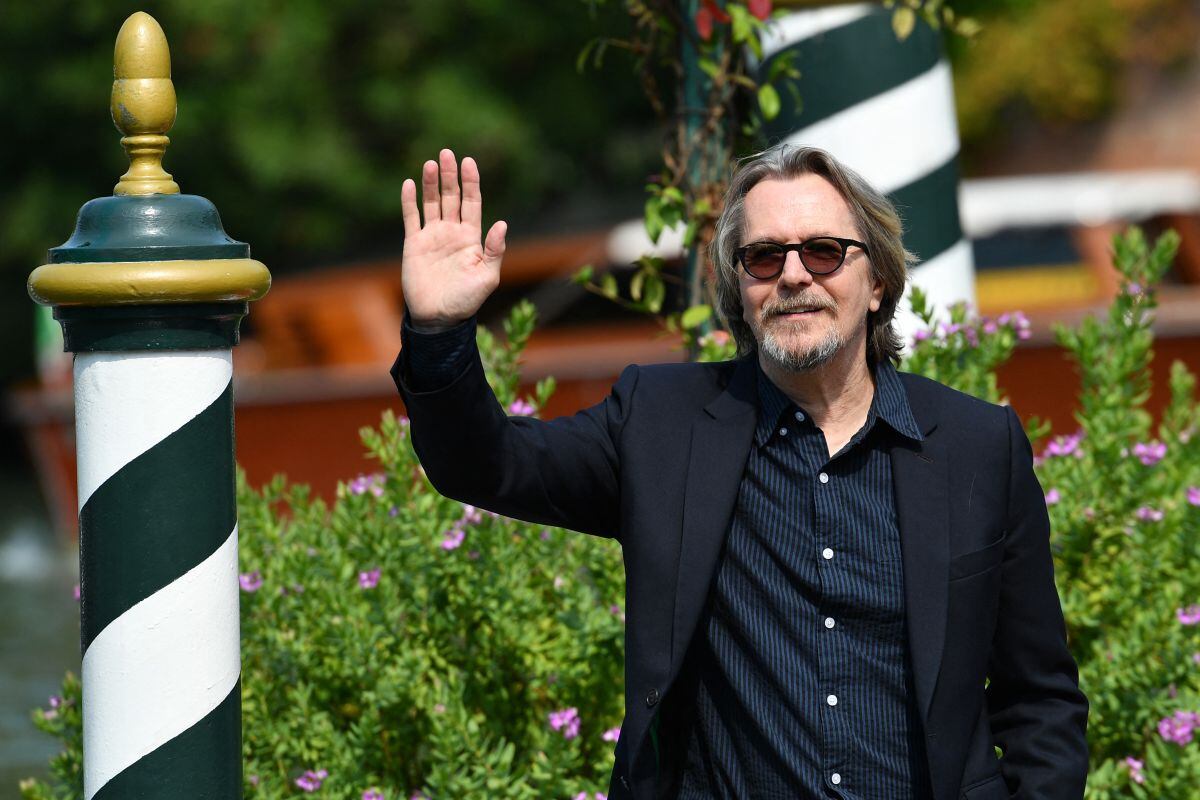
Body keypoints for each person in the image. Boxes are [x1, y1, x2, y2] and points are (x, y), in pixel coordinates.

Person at [391, 145, 1088, 800]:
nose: (793, 275)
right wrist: (438, 331)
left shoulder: (975, 445)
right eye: (762, 257)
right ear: (740, 290)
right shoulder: (661, 425)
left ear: (876, 281)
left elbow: (1039, 699)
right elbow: (486, 466)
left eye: (822, 251)